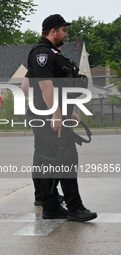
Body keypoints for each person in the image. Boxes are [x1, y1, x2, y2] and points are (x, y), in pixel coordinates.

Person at [25, 14, 97, 222]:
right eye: (64, 30)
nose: (66, 34)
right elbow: (46, 85)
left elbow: (51, 86)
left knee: (54, 160)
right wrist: (55, 114)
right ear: (53, 31)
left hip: (54, 114)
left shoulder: (52, 53)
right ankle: (73, 207)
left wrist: (68, 111)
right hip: (50, 117)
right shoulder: (43, 54)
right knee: (65, 159)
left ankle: (51, 206)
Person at [21, 77, 64, 206]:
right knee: (49, 155)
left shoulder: (35, 65)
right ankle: (45, 194)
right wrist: (41, 100)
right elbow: (25, 86)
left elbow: (25, 86)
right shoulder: (43, 61)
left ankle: (43, 193)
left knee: (41, 153)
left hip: (39, 113)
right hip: (45, 114)